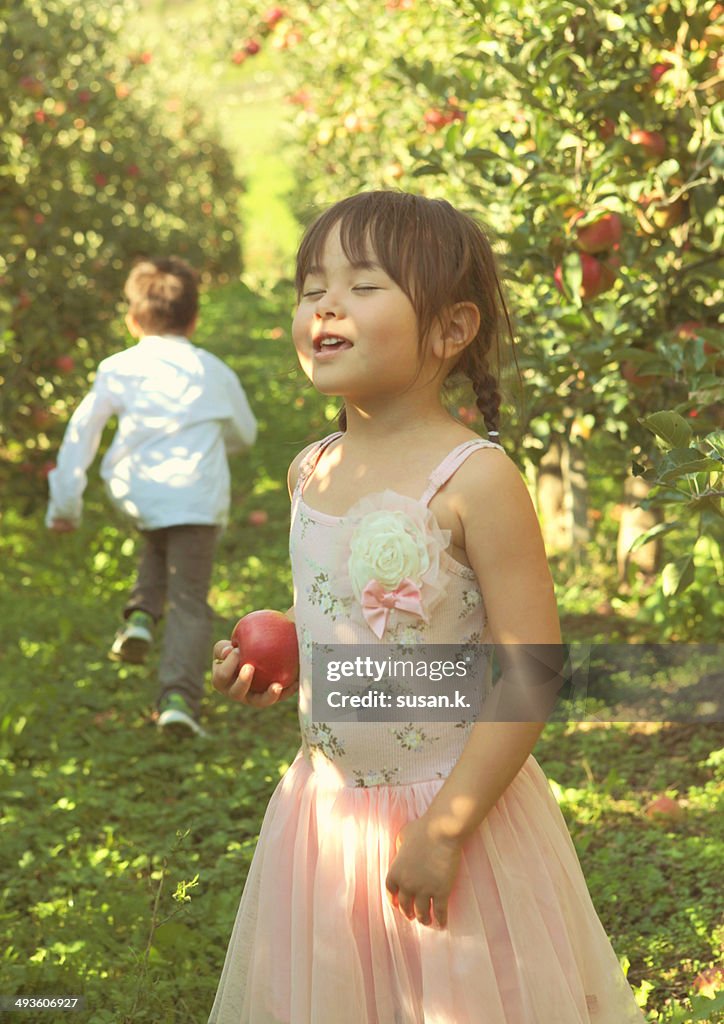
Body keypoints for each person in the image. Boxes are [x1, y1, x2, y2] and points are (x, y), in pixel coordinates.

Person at [208, 192, 646, 1022]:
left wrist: (445, 829)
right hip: (328, 816)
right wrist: (287, 650)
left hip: (454, 810)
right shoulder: (313, 469)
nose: (327, 304)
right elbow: (347, 615)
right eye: (312, 288)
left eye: (364, 285)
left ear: (450, 329)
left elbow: (530, 672)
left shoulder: (475, 479)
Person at [46, 257, 257, 737]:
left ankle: (140, 616)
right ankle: (178, 697)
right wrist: (210, 444)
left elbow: (81, 434)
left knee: (160, 534)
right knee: (189, 600)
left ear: (133, 320)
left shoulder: (118, 368)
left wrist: (65, 503)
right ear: (195, 319)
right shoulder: (214, 371)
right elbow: (245, 433)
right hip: (197, 497)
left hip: (137, 490)